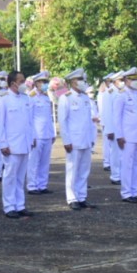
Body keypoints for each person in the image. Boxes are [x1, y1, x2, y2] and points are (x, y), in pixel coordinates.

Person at [0, 69, 34, 218]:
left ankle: (20, 205)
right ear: (13, 83)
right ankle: (9, 206)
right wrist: (3, 144)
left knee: (20, 177)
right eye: (21, 81)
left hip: (24, 144)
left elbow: (29, 123)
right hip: (11, 145)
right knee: (10, 177)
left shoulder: (25, 98)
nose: (24, 84)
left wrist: (31, 139)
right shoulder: (3, 100)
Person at [58, 69, 96, 209]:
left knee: (84, 170)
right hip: (73, 141)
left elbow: (88, 121)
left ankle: (81, 196)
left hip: (85, 139)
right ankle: (72, 198)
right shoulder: (65, 98)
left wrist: (92, 139)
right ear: (73, 81)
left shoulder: (86, 98)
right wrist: (66, 141)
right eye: (80, 79)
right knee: (72, 170)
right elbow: (63, 121)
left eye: (83, 79)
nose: (82, 82)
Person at [113, 68, 137, 203]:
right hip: (127, 135)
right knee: (127, 164)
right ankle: (126, 193)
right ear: (126, 80)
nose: (135, 81)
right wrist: (119, 135)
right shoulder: (121, 95)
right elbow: (116, 117)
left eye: (136, 79)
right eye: (132, 79)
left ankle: (134, 191)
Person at [26, 71, 56, 194]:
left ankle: (42, 185)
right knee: (34, 162)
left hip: (47, 134)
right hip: (37, 134)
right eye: (42, 82)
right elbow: (29, 118)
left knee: (45, 161)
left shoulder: (46, 97)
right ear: (36, 83)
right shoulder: (31, 97)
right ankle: (32, 186)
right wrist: (31, 136)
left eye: (45, 82)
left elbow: (49, 117)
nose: (44, 84)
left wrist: (52, 133)